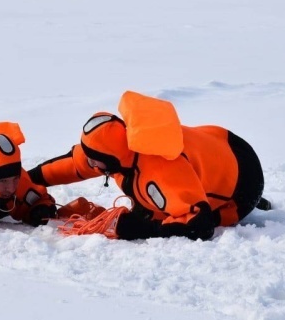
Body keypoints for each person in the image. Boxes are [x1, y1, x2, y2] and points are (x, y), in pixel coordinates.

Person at [28, 91, 270, 241]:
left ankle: (246, 203)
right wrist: (24, 180)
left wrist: (141, 229)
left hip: (244, 180)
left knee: (202, 214)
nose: (89, 163)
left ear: (111, 160)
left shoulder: (160, 172)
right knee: (150, 205)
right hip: (216, 140)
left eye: (93, 160)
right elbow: (73, 164)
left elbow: (199, 225)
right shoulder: (117, 147)